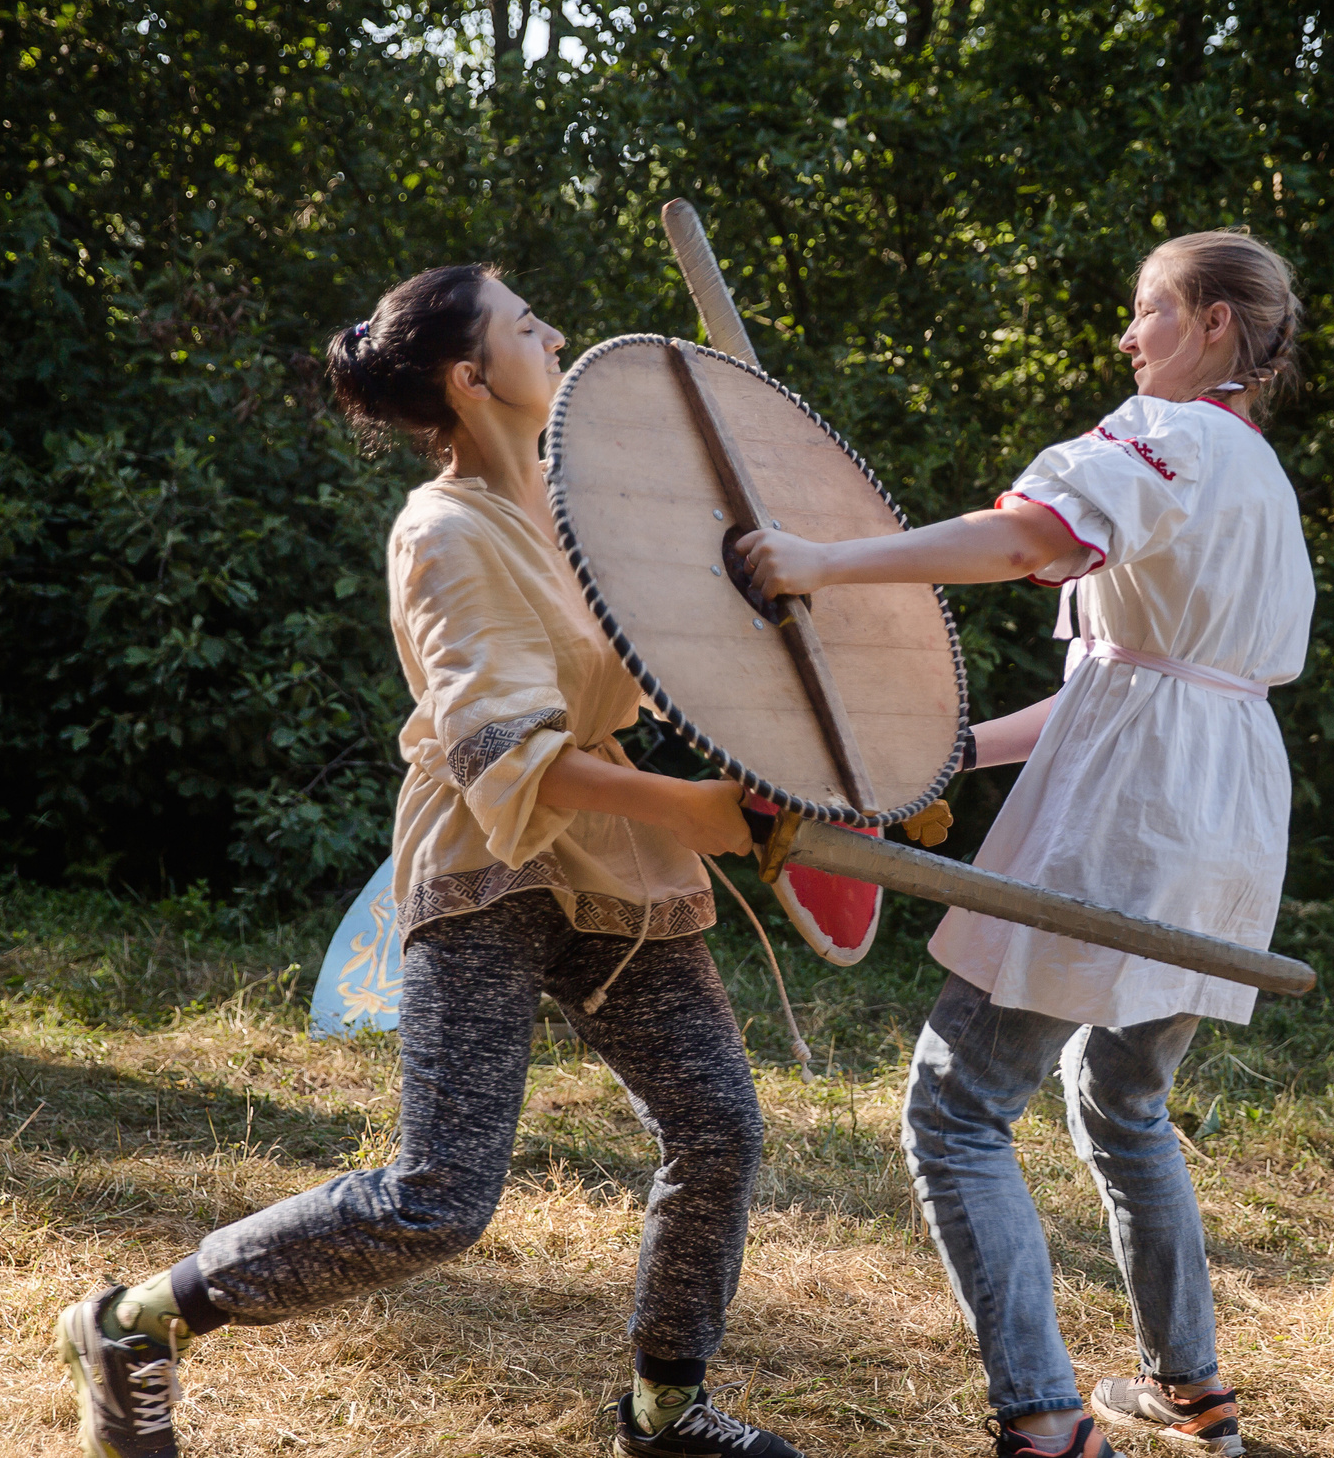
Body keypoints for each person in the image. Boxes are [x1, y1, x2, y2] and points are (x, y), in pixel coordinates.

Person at [56, 265, 811, 1458]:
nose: (553, 330)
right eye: (523, 324)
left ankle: (667, 1411)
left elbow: (703, 649)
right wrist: (693, 806)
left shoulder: (588, 512)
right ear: (470, 379)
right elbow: (501, 750)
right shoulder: (443, 531)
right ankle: (133, 1321)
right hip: (490, 860)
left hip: (616, 857)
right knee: (440, 1196)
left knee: (718, 1127)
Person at [739, 230, 1311, 1458]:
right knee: (1124, 1100)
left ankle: (1045, 1426)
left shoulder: (1166, 437)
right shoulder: (1257, 475)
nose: (1127, 335)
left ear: (1214, 325)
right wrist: (946, 762)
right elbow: (1130, 683)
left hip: (1136, 815)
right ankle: (1190, 1390)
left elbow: (1025, 541)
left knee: (957, 1110)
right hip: (1217, 816)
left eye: (1148, 309)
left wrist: (822, 567)